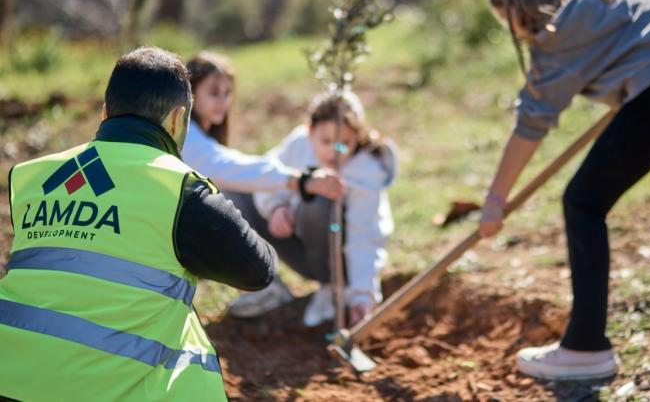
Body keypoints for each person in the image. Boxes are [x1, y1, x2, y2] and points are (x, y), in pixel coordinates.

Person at [477, 0, 650, 380]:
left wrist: (495, 199)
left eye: (504, 17)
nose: (510, 28)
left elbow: (531, 123)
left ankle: (585, 348)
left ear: (515, 7)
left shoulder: (556, 34)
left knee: (583, 203)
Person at [0, 47, 278, 401]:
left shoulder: (32, 175)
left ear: (105, 113)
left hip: (8, 378)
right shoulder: (179, 188)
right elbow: (257, 271)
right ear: (178, 120)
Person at [180, 51, 346, 318]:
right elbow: (229, 168)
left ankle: (266, 286)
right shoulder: (187, 138)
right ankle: (261, 285)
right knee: (225, 193)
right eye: (214, 92)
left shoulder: (201, 136)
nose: (223, 101)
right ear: (190, 94)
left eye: (227, 93)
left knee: (232, 192)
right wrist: (300, 180)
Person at [231, 91, 397, 327]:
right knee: (235, 192)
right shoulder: (299, 144)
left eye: (345, 143)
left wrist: (362, 296)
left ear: (358, 136)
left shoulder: (366, 172)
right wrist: (277, 207)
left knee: (320, 202)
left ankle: (333, 286)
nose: (335, 152)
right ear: (310, 132)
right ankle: (267, 287)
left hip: (341, 259)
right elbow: (265, 177)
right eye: (326, 142)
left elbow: (364, 236)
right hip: (300, 245)